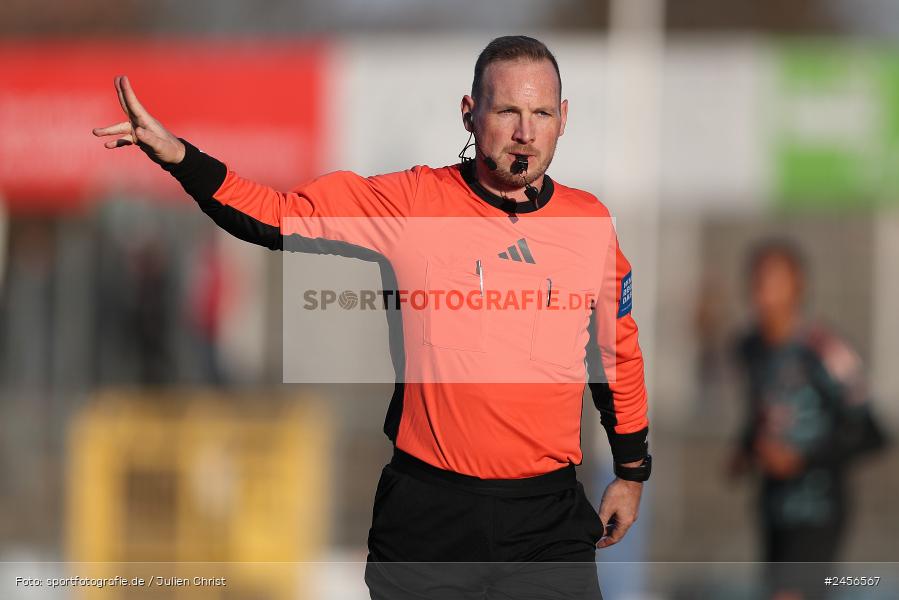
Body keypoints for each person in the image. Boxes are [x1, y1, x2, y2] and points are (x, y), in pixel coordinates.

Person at [93, 35, 651, 599]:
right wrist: (179, 157)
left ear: (563, 118)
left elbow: (616, 355)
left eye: (541, 113)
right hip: (430, 516)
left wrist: (630, 471)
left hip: (546, 523)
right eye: (507, 110)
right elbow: (275, 215)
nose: (525, 131)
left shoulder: (589, 224)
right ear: (470, 114)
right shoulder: (411, 203)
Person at [728, 240, 887, 600]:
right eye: (757, 282)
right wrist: (746, 450)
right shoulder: (749, 348)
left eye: (774, 281)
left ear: (797, 285)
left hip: (818, 506)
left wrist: (803, 459)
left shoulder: (824, 349)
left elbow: (872, 433)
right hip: (772, 503)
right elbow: (763, 415)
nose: (763, 293)